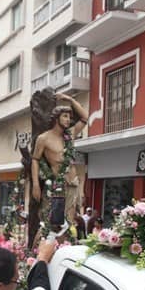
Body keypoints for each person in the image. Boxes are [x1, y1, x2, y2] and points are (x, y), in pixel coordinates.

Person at [31, 93, 88, 225]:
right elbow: (35, 159)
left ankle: (66, 244)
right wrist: (35, 184)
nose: (68, 120)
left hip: (72, 183)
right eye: (65, 116)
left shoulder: (70, 134)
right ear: (56, 118)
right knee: (50, 223)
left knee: (69, 221)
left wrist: (70, 99)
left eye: (69, 117)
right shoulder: (44, 138)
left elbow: (85, 117)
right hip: (56, 185)